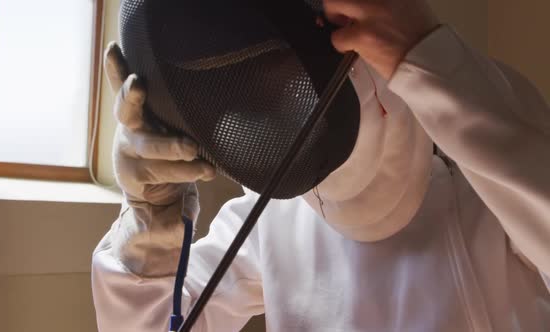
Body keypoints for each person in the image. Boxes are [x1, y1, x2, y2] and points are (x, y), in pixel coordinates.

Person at [91, 0, 550, 331]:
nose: (286, 94)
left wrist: (427, 57)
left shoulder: (491, 186)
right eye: (260, 84)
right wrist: (148, 229)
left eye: (290, 68)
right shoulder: (271, 220)